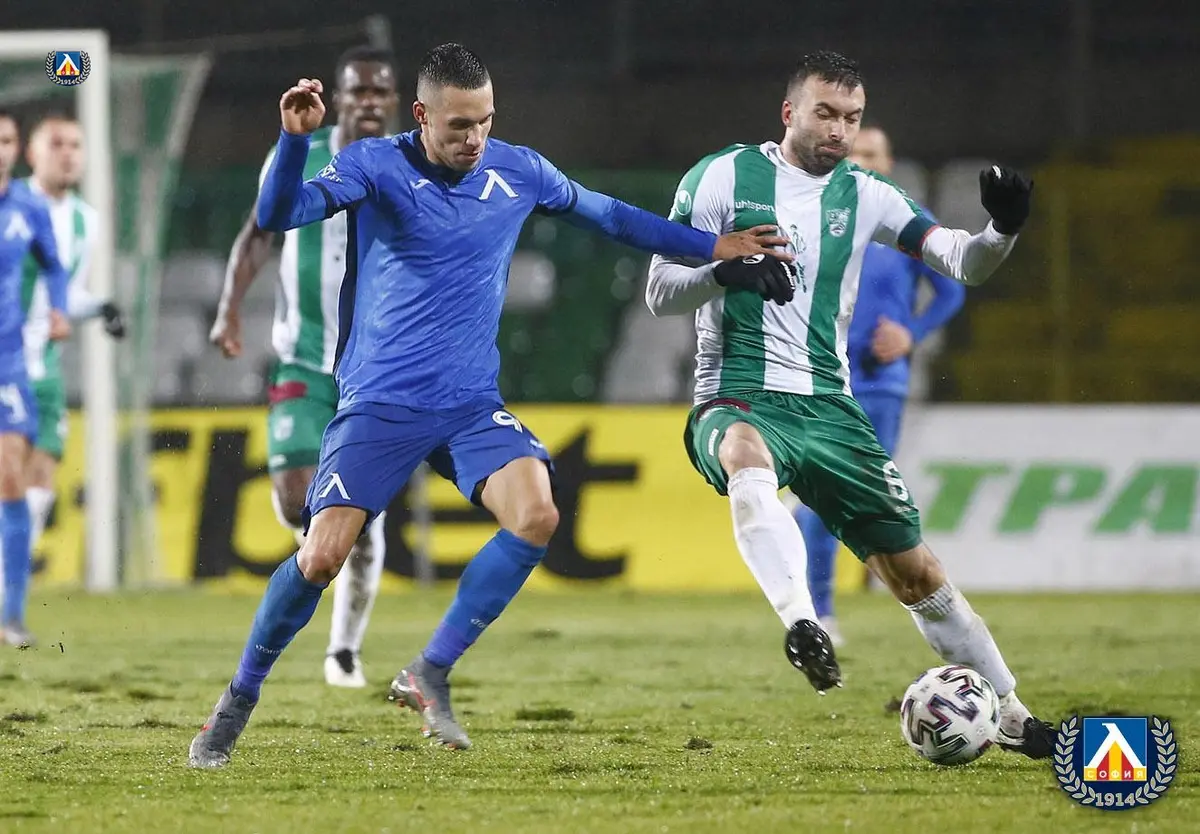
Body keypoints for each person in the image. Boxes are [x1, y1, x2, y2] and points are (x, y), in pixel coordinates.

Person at [188, 42, 787, 767]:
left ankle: (430, 670)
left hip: (469, 403)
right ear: (421, 115)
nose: (474, 138)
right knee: (320, 558)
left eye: (485, 121)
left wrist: (715, 247)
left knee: (536, 514)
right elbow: (280, 213)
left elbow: (612, 217)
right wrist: (292, 141)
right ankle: (236, 702)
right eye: (459, 125)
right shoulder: (373, 165)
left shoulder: (518, 170)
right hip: (380, 403)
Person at [646, 51, 1055, 758]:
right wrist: (726, 270)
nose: (839, 130)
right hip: (738, 391)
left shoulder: (868, 194)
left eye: (852, 118)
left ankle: (1012, 716)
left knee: (917, 574)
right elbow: (659, 291)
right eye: (826, 114)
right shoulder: (719, 176)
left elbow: (961, 262)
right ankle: (802, 622)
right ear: (790, 113)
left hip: (831, 407)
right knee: (745, 456)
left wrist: (1003, 229)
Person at [209, 46, 401, 689]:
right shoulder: (301, 153)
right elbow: (260, 231)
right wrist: (229, 310)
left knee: (360, 518)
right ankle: (324, 557)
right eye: (358, 90)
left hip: (374, 371)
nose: (368, 101)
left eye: (379, 91)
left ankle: (343, 649)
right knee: (297, 499)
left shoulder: (408, 163)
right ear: (339, 98)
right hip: (303, 357)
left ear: (395, 101)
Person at [792, 125, 965, 646]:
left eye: (872, 154)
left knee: (860, 500)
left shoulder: (905, 222)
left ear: (889, 164)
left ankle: (834, 598)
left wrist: (911, 333)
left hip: (880, 383)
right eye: (854, 153)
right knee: (825, 501)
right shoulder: (818, 214)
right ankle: (819, 614)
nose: (862, 161)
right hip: (819, 379)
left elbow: (950, 291)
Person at [18, 114, 126, 571]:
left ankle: (9, 585)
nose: (67, 154)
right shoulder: (11, 205)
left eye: (75, 145)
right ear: (32, 153)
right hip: (6, 360)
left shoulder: (87, 221)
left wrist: (102, 308)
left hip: (45, 364)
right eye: (56, 144)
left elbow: (62, 298)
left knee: (42, 473)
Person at [0, 109, 71, 648]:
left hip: (8, 363)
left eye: (5, 140)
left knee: (11, 481)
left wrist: (59, 308)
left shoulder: (28, 208)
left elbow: (53, 264)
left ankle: (12, 616)